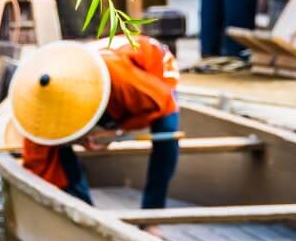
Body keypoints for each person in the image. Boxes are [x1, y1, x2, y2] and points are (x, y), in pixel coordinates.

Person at [9, 37, 181, 209]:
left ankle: (152, 215)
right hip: (105, 68)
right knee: (52, 142)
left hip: (155, 78)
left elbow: (162, 103)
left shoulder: (126, 82)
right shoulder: (52, 82)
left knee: (166, 135)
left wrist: (117, 133)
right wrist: (78, 137)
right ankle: (81, 203)